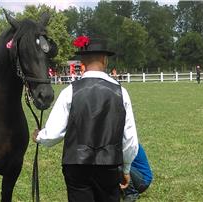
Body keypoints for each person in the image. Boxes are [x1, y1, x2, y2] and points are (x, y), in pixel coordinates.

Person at [33, 36, 139, 202]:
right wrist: (126, 168)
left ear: (82, 62)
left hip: (76, 165)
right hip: (109, 164)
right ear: (105, 60)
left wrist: (39, 136)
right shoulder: (121, 93)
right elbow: (130, 139)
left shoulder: (69, 91)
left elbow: (53, 133)